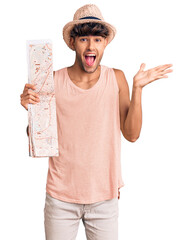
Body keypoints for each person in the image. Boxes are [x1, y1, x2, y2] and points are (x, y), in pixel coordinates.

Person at [20, 4, 173, 240]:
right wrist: (31, 110)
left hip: (104, 198)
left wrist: (138, 89)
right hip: (61, 198)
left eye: (98, 39)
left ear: (105, 44)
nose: (91, 46)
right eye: (83, 39)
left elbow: (132, 135)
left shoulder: (117, 78)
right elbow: (38, 139)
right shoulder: (51, 81)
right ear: (72, 43)